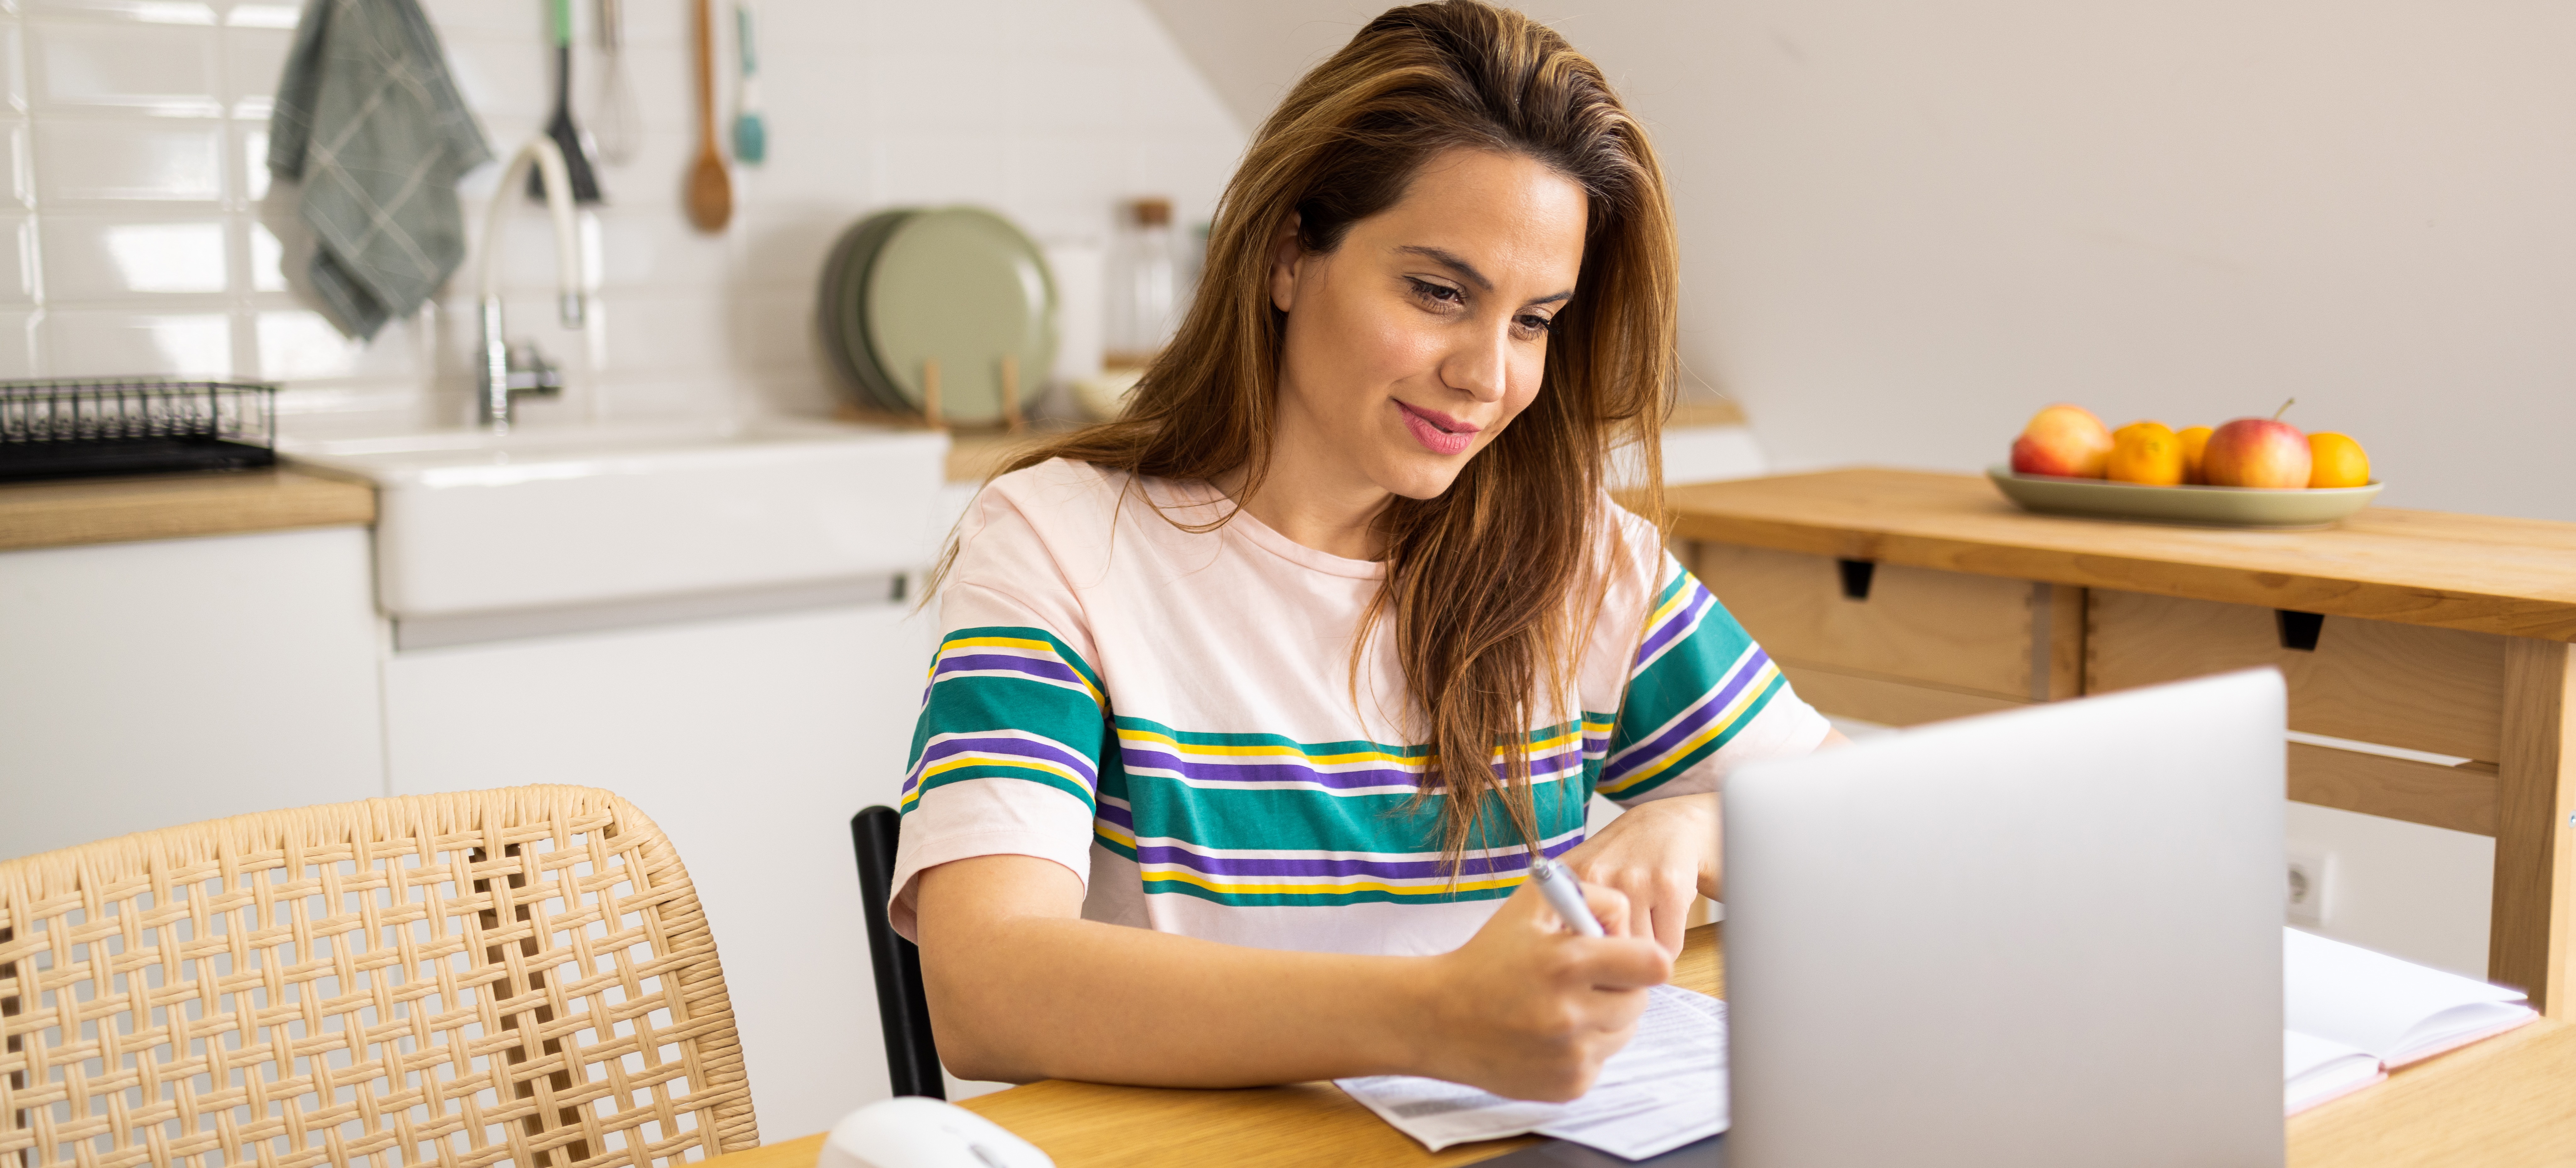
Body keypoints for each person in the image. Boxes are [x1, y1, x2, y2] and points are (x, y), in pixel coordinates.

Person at [888, 0, 1845, 1103]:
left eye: (1535, 320)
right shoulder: (1061, 541)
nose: (1488, 377)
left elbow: (1872, 831)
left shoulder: (1576, 560)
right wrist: (1436, 1019)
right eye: (1440, 293)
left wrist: (1693, 822)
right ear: (1291, 255)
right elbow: (987, 989)